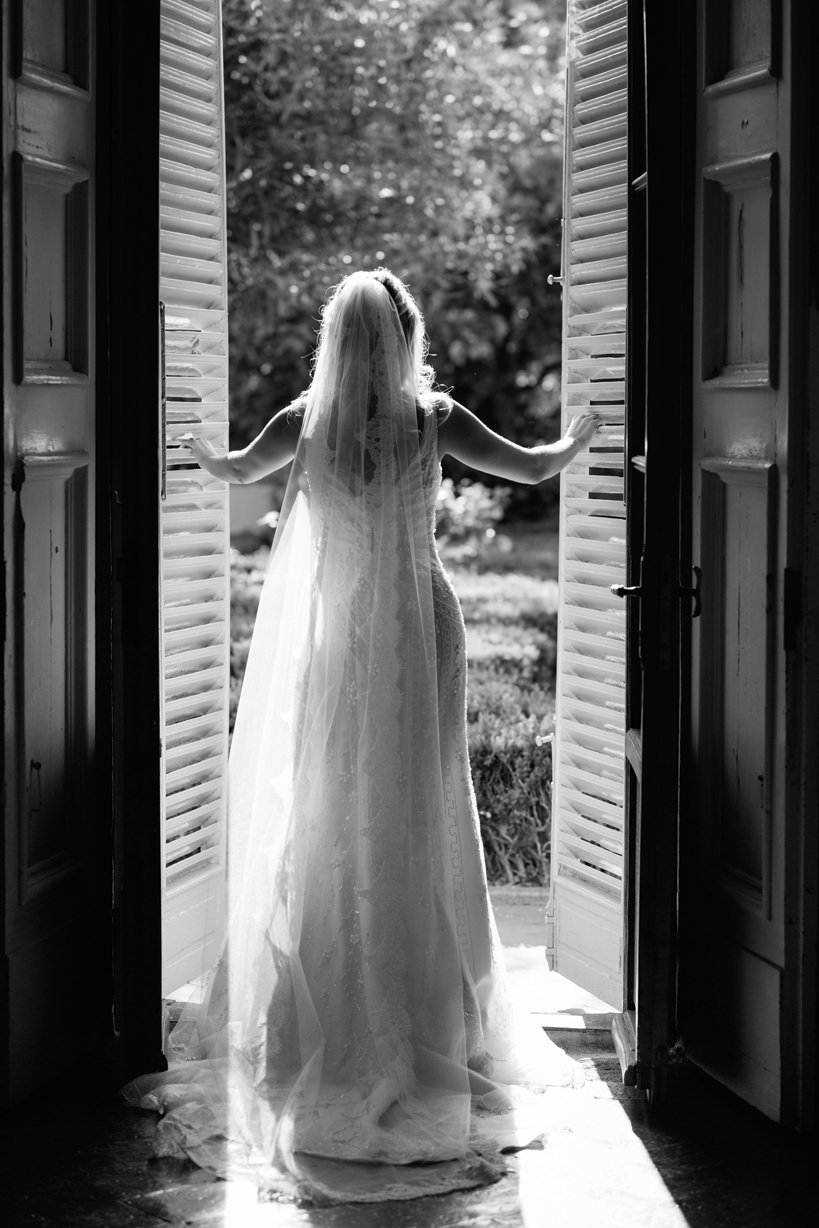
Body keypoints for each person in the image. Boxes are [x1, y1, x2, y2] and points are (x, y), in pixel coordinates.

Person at [121, 269, 600, 1204]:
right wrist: (582, 434)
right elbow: (537, 467)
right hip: (420, 629)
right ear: (408, 338)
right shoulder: (433, 418)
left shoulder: (307, 421)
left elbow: (229, 472)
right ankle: (431, 1015)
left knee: (332, 806)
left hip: (341, 639)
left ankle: (330, 1016)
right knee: (419, 807)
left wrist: (183, 439)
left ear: (335, 342)